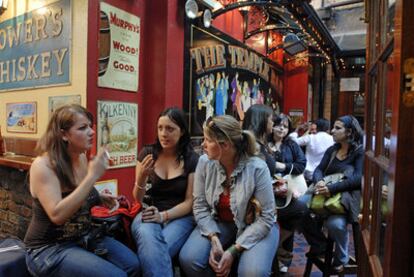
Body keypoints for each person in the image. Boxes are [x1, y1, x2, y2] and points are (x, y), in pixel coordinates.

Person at [24, 104, 139, 277]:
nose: (92, 132)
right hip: (49, 249)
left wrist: (98, 197)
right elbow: (57, 215)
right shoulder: (44, 166)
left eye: (90, 127)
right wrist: (92, 177)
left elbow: (78, 194)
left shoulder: (81, 157)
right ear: (63, 134)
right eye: (82, 128)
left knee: (134, 265)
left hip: (83, 236)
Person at [179, 115, 278, 277]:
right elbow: (199, 206)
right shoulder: (204, 162)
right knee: (189, 259)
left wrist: (233, 250)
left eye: (207, 140)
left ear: (224, 145)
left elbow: (267, 217)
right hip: (220, 221)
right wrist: (213, 238)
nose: (203, 145)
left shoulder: (257, 168)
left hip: (256, 226)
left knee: (252, 273)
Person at [131, 107, 199, 277]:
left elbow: (189, 202)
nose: (163, 134)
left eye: (170, 129)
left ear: (182, 131)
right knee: (151, 248)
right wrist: (141, 178)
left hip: (180, 216)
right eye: (160, 128)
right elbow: (137, 200)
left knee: (155, 252)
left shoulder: (192, 159)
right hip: (148, 211)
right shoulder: (147, 153)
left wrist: (163, 216)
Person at [302, 114, 364, 272]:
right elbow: (319, 169)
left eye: (337, 128)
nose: (332, 131)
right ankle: (320, 245)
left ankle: (341, 258)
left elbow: (357, 180)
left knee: (334, 224)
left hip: (344, 199)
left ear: (349, 132)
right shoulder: (332, 149)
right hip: (323, 193)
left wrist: (331, 188)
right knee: (299, 208)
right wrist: (319, 181)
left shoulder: (359, 152)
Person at [268, 113, 308, 273]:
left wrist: (282, 166)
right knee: (273, 219)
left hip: (289, 189)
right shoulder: (265, 143)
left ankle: (283, 257)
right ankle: (271, 255)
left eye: (285, 126)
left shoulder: (291, 145)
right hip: (269, 189)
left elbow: (301, 164)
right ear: (272, 126)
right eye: (278, 125)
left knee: (290, 219)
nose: (282, 129)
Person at [242, 104, 276, 176]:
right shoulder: (250, 146)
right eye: (271, 120)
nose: (273, 123)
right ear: (262, 121)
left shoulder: (261, 143)